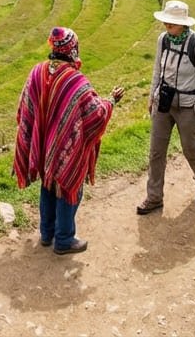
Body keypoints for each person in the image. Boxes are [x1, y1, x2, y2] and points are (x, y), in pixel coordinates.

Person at [14, 26, 124, 254]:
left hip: (44, 145)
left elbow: (25, 109)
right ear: (73, 50)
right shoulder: (76, 81)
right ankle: (64, 239)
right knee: (67, 184)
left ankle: (47, 233)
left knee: (48, 183)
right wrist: (111, 101)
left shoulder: (37, 71)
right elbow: (96, 116)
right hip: (66, 148)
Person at [136, 0, 195, 215]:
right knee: (156, 151)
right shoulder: (163, 40)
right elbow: (157, 70)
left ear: (183, 24)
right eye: (166, 22)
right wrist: (152, 95)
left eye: (172, 23)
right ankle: (154, 197)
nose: (167, 27)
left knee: (191, 150)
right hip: (164, 102)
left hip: (189, 106)